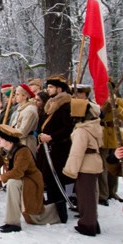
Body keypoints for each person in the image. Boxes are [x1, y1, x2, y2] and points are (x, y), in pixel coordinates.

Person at [0, 125, 67, 233]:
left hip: (32, 181)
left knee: (34, 217)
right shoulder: (5, 149)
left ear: (9, 141)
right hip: (20, 180)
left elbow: (17, 172)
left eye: (2, 138)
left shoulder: (22, 151)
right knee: (13, 184)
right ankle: (12, 222)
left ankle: (57, 211)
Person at [62, 99, 104, 236]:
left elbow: (77, 152)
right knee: (91, 195)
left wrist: (70, 170)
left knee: (86, 196)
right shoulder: (94, 126)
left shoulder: (82, 131)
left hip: (85, 165)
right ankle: (92, 221)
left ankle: (87, 224)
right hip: (94, 163)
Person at [36, 75, 74, 205]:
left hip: (58, 147)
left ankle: (58, 206)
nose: (48, 90)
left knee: (56, 178)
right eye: (48, 87)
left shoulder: (66, 105)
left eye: (51, 87)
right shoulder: (51, 104)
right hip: (46, 146)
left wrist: (52, 137)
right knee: (47, 176)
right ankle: (52, 203)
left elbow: (68, 128)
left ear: (59, 89)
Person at [99, 83, 123, 205]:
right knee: (102, 166)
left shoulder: (120, 101)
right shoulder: (98, 99)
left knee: (114, 165)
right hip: (102, 134)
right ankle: (102, 194)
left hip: (115, 135)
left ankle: (112, 191)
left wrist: (115, 105)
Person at [10, 83, 39, 153]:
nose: (15, 97)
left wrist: (10, 135)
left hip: (26, 143)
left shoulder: (30, 110)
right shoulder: (21, 108)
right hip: (18, 142)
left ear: (25, 96)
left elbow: (22, 132)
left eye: (17, 94)